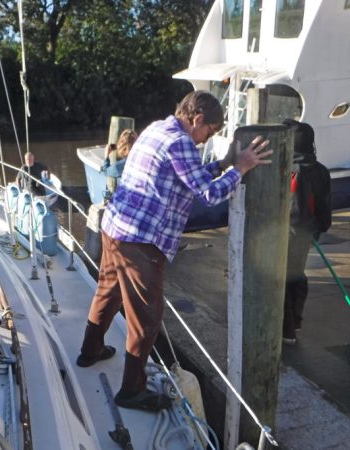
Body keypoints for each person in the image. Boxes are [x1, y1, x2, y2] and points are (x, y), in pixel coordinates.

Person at [76, 90, 272, 412]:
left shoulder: (157, 128)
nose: (207, 139)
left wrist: (223, 164)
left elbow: (188, 178)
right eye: (210, 131)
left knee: (107, 292)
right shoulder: (181, 142)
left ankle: (90, 351)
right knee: (146, 318)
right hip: (141, 240)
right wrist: (240, 168)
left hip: (115, 228)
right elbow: (208, 195)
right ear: (198, 119)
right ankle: (131, 391)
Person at [281, 119, 331, 345]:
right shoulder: (321, 171)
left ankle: (287, 330)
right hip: (306, 235)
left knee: (282, 280)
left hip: (286, 234)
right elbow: (324, 210)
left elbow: (291, 209)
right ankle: (296, 323)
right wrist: (317, 229)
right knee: (297, 275)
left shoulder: (288, 170)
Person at [103, 129, 138, 200]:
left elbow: (106, 171)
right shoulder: (142, 158)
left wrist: (106, 156)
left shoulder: (120, 166)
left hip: (129, 199)